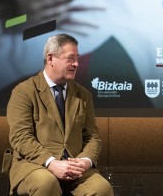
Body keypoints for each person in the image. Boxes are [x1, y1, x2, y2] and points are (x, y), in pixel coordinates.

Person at [6, 33, 113, 196]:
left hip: (74, 168)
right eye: (70, 58)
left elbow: (93, 137)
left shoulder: (83, 95)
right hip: (35, 165)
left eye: (77, 58)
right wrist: (51, 163)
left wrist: (84, 161)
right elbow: (20, 137)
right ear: (51, 59)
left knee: (102, 188)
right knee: (46, 183)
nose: (76, 64)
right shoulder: (24, 91)